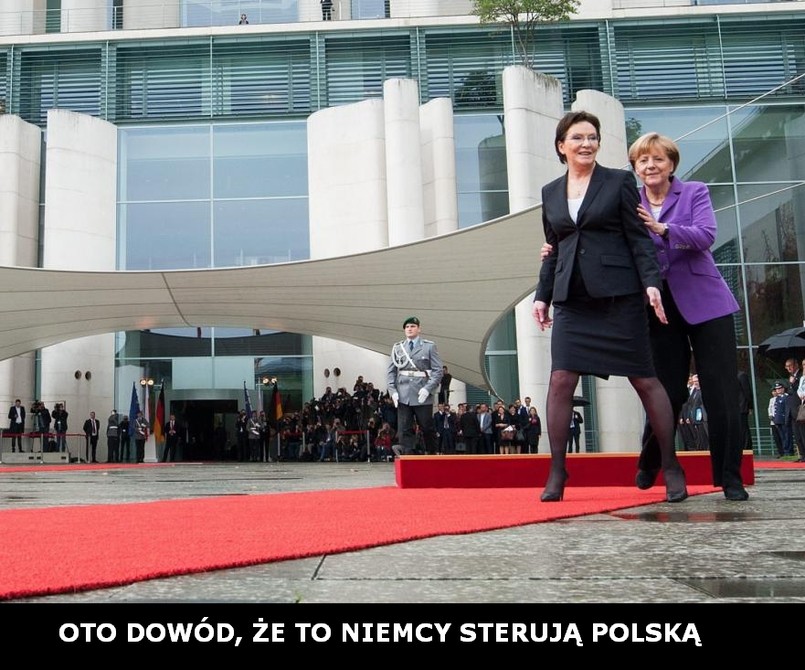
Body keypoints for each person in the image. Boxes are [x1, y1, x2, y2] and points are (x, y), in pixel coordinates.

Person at [532, 111, 687, 504]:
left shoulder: (619, 181)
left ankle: (670, 465)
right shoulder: (550, 191)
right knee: (560, 381)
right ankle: (557, 470)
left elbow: (638, 239)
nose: (587, 143)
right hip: (573, 300)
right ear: (561, 146)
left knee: (644, 379)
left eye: (593, 137)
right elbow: (553, 248)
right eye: (578, 137)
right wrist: (542, 295)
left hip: (620, 297)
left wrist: (651, 284)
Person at [628, 132, 748, 500]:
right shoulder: (629, 200)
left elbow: (705, 235)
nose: (651, 166)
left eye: (658, 159)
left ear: (671, 164)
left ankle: (729, 477)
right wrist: (554, 245)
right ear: (635, 168)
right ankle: (650, 460)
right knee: (667, 391)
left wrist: (663, 229)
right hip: (658, 307)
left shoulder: (694, 191)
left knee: (721, 392)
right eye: (643, 161)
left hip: (706, 302)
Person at [386, 316, 443, 455]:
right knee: (404, 428)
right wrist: (392, 390)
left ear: (419, 329)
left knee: (427, 426)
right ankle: (408, 455)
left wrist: (428, 388)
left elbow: (438, 371)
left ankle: (431, 452)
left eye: (412, 326)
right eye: (407, 327)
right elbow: (391, 371)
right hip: (403, 392)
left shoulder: (429, 346)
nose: (409, 329)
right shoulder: (398, 348)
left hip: (422, 392)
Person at [737, 370, 753, 453]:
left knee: (744, 429)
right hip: (733, 408)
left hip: (741, 407)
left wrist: (750, 406)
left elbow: (747, 391)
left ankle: (747, 449)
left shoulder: (741, 375)